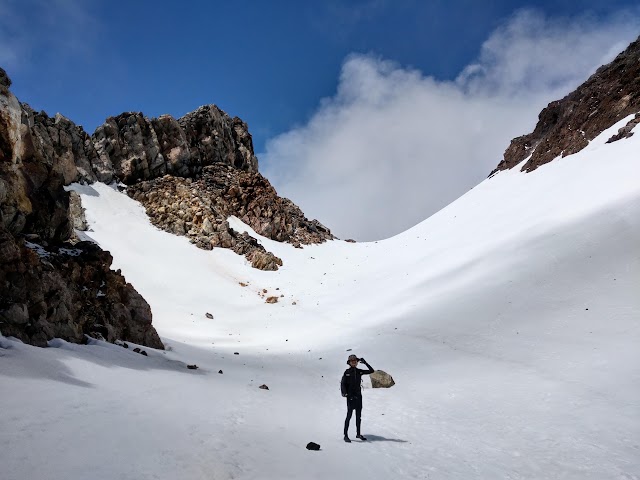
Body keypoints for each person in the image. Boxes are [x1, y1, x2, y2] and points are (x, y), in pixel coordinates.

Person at [340, 354, 374, 442]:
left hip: (358, 397)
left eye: (355, 361)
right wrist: (344, 393)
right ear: (349, 363)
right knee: (349, 416)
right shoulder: (347, 372)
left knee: (358, 416)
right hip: (350, 397)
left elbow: (371, 371)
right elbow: (343, 383)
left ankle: (358, 434)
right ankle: (345, 435)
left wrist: (365, 362)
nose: (354, 362)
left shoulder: (359, 371)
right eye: (352, 361)